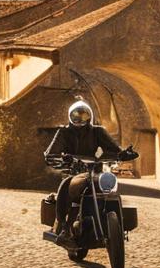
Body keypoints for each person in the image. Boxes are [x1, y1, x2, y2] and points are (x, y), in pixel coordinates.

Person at [44, 98, 133, 239]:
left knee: (110, 190)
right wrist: (64, 159)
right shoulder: (63, 132)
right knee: (65, 187)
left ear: (89, 116)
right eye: (76, 116)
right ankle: (62, 226)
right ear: (70, 116)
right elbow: (51, 154)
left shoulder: (97, 131)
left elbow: (113, 149)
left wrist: (122, 154)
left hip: (95, 172)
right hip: (72, 172)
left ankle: (115, 223)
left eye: (83, 115)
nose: (79, 119)